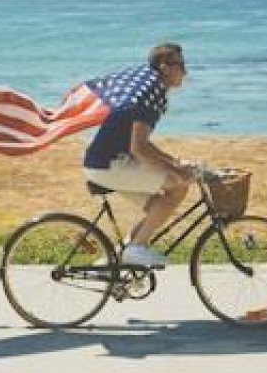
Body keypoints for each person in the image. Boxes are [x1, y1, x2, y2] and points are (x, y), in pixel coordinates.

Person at [82, 43, 192, 268]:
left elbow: (142, 144)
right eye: (180, 65)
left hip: (106, 162)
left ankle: (119, 256)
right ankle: (136, 248)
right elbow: (139, 149)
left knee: (158, 207)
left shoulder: (150, 88)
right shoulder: (148, 95)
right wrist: (176, 171)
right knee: (179, 186)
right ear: (165, 67)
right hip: (109, 166)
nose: (185, 71)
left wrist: (173, 162)